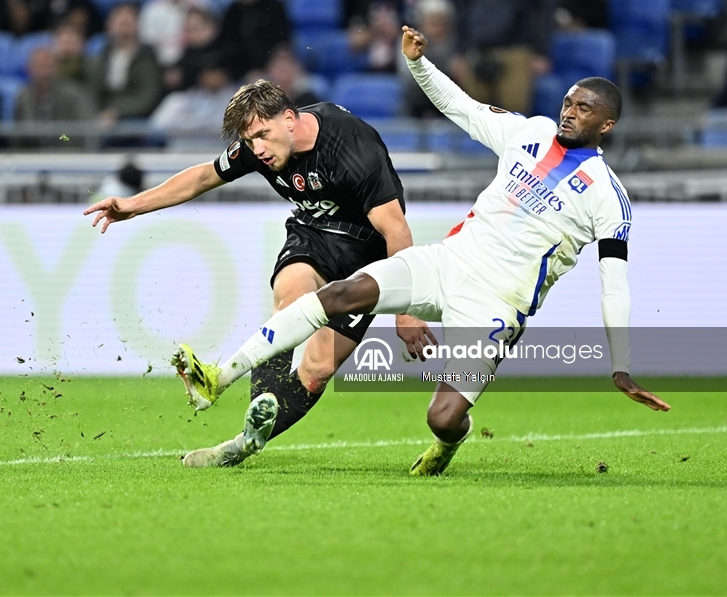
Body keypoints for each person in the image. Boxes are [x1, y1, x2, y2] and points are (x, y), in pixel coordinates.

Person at [175, 25, 671, 475]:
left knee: (443, 417)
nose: (569, 111)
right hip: (446, 263)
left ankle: (451, 443)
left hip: (497, 303)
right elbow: (462, 107)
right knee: (341, 295)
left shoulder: (609, 198)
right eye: (568, 101)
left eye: (583, 108)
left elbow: (615, 284)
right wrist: (417, 64)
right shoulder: (531, 133)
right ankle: (221, 375)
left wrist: (620, 365)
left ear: (606, 125)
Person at [85, 79, 430, 468]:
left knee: (317, 370)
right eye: (250, 141)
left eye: (263, 136)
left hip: (367, 252)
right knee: (291, 299)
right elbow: (203, 176)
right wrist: (134, 205)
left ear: (289, 119)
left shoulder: (352, 148)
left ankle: (244, 442)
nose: (258, 150)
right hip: (313, 236)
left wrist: (407, 309)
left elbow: (396, 230)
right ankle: (256, 407)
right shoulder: (259, 146)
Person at [85, 3, 163, 126]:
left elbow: (148, 96)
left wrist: (116, 112)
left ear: (137, 25)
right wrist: (97, 113)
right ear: (109, 26)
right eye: (120, 22)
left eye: (128, 22)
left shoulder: (147, 57)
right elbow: (92, 91)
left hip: (136, 115)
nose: (124, 26)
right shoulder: (101, 57)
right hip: (102, 114)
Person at [218, 0, 291, 79]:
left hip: (273, 69)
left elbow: (281, 41)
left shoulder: (275, 7)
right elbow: (228, 44)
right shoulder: (233, 10)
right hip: (240, 73)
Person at [16, 46, 97, 148]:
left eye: (46, 65)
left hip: (67, 149)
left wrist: (59, 137)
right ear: (29, 69)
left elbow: (81, 129)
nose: (42, 70)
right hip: (33, 152)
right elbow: (18, 133)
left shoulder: (73, 93)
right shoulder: (23, 96)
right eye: (38, 65)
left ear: (56, 67)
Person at [138, 0, 211, 69]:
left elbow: (209, 39)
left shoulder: (201, 3)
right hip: (159, 67)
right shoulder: (151, 10)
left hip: (194, 65)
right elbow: (146, 43)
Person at [150, 58, 237, 148]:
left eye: (217, 73)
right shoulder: (179, 99)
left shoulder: (235, 99)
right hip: (180, 151)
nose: (212, 78)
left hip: (217, 151)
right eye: (208, 74)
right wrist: (195, 126)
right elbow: (158, 125)